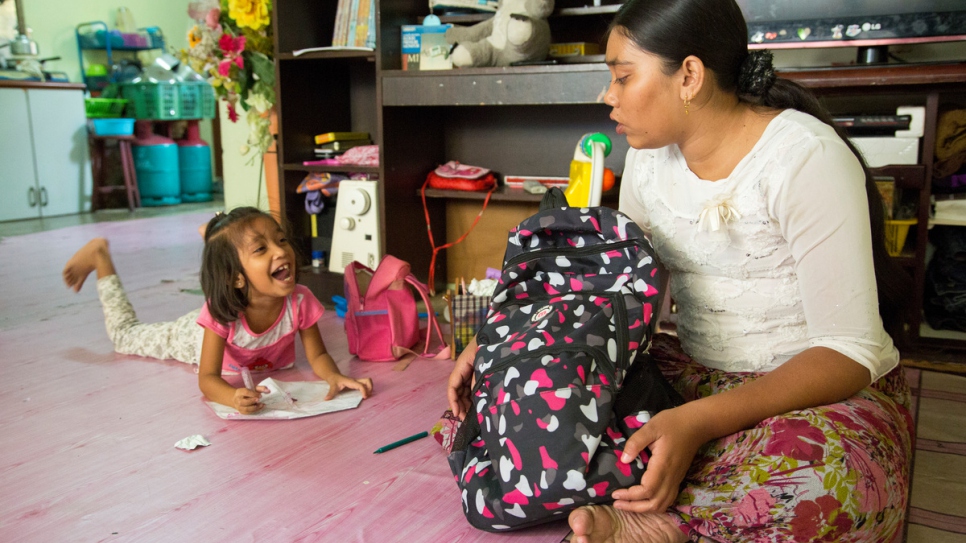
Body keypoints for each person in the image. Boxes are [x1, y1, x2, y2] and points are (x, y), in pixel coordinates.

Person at [447, 0, 915, 541]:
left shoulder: (805, 158)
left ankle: (667, 525)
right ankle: (683, 500)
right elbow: (614, 292)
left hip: (809, 391)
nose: (609, 95)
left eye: (623, 77)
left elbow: (849, 351)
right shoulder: (649, 158)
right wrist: (509, 345)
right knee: (511, 402)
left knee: (835, 482)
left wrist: (697, 423)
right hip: (689, 374)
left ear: (689, 75)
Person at [63, 206, 373, 414]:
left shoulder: (300, 301)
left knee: (232, 253)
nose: (282, 251)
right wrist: (231, 397)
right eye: (261, 248)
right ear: (237, 277)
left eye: (281, 240)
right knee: (123, 337)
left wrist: (334, 376)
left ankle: (215, 236)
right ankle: (100, 255)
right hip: (189, 335)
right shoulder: (219, 313)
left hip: (233, 296)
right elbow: (208, 379)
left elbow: (318, 356)